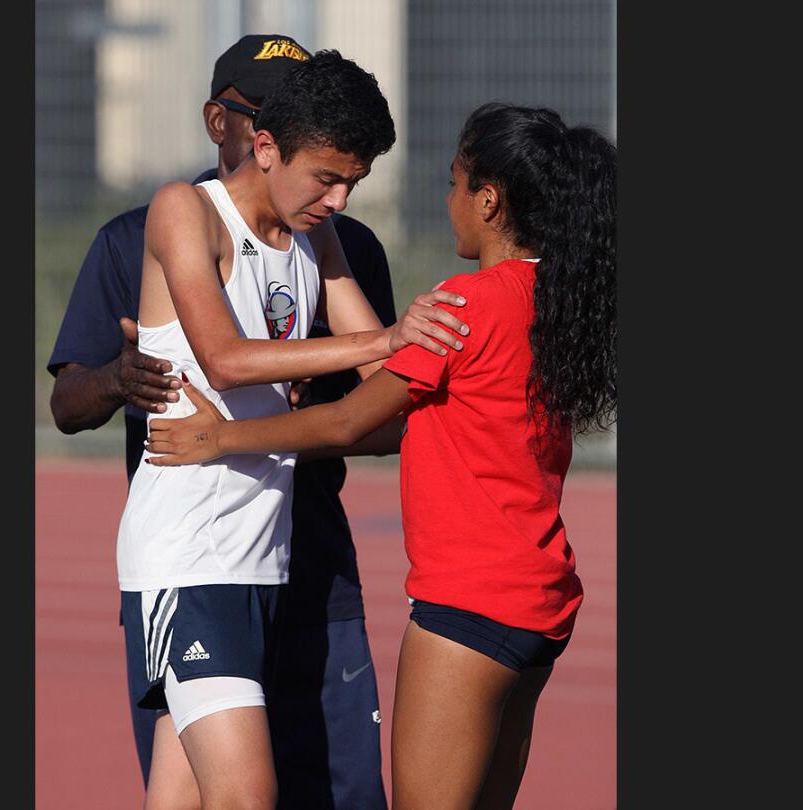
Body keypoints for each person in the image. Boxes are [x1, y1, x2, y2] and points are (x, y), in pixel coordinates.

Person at [144, 102, 618, 809]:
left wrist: (221, 438)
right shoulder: (555, 301)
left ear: (489, 201)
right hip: (541, 601)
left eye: (455, 184)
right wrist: (295, 432)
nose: (448, 200)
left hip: (469, 606)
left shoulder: (467, 305)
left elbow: (344, 423)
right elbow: (412, 429)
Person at [48, 39, 468, 809]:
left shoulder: (319, 237)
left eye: (355, 182)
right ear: (265, 146)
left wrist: (401, 357)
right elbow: (225, 359)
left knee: (180, 799)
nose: (339, 199)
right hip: (188, 560)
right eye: (328, 178)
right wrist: (384, 337)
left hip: (265, 559)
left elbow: (386, 384)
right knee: (248, 796)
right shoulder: (185, 209)